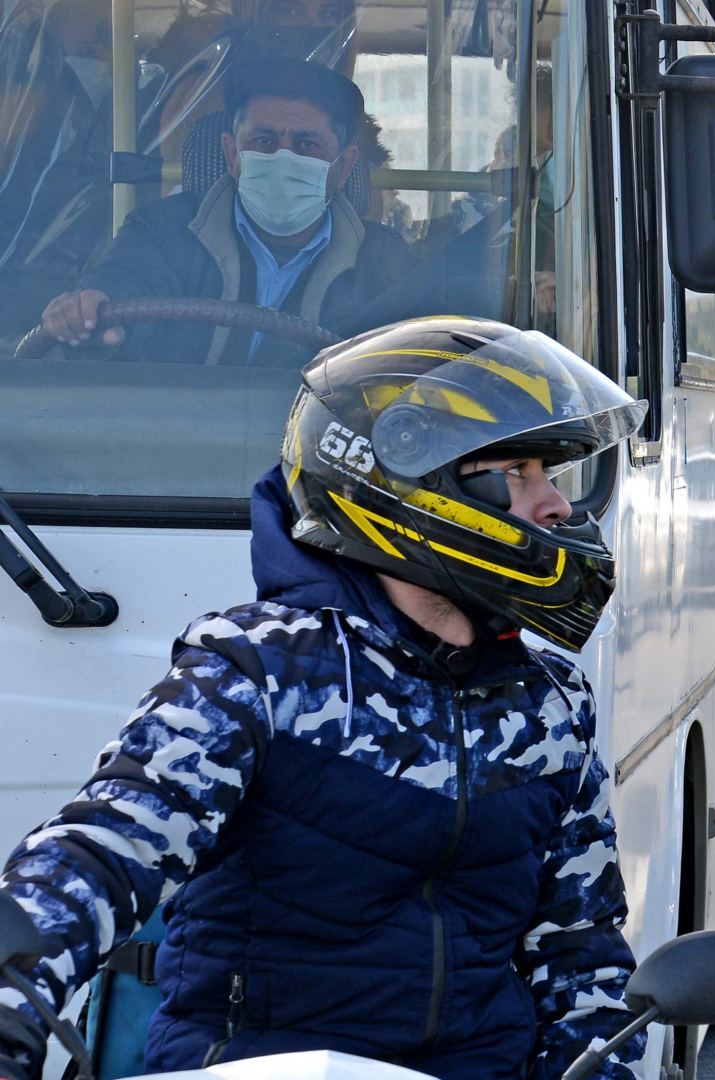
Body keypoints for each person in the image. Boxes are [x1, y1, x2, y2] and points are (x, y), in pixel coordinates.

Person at [0, 317, 649, 1079]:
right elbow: (106, 848)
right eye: (517, 473)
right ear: (413, 485)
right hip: (256, 1066)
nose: (556, 504)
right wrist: (10, 1006)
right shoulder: (260, 671)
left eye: (549, 473)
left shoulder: (548, 705)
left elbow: (580, 945)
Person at [36, 56, 407, 366]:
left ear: (344, 166)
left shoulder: (386, 263)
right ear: (231, 154)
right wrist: (87, 310)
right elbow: (122, 280)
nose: (283, 157)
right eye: (264, 140)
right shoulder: (162, 230)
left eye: (306, 144)